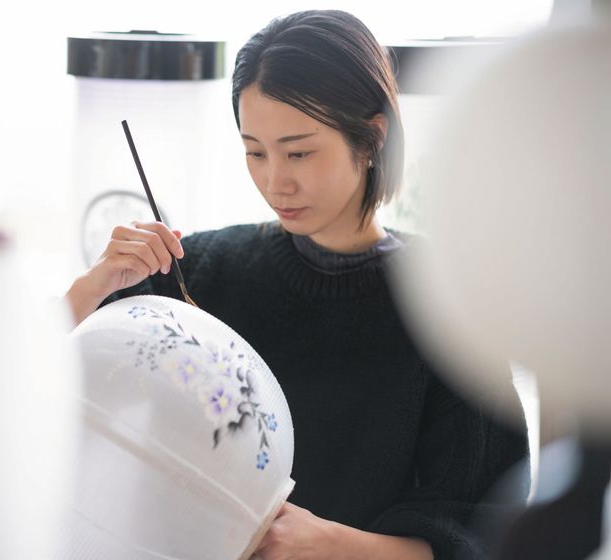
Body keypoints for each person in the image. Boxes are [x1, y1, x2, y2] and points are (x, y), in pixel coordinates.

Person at [65, 9, 529, 560]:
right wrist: (91, 290)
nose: (275, 181)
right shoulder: (197, 273)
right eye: (254, 152)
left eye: (299, 152)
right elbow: (44, 395)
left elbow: (489, 532)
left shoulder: (452, 305)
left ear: (372, 138)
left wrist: (332, 544)